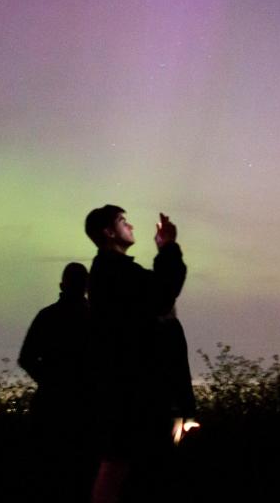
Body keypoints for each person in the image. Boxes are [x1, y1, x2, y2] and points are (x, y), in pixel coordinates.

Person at [84, 205, 196, 502]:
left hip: (126, 390)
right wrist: (168, 247)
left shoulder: (110, 271)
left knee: (118, 467)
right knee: (123, 467)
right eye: (122, 222)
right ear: (109, 232)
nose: (130, 226)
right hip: (131, 392)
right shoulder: (114, 271)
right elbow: (163, 291)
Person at [18, 262, 99, 503]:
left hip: (50, 409)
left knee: (49, 479)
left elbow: (26, 358)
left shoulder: (47, 316)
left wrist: (50, 381)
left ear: (62, 285)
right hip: (86, 411)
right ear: (86, 286)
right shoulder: (96, 319)